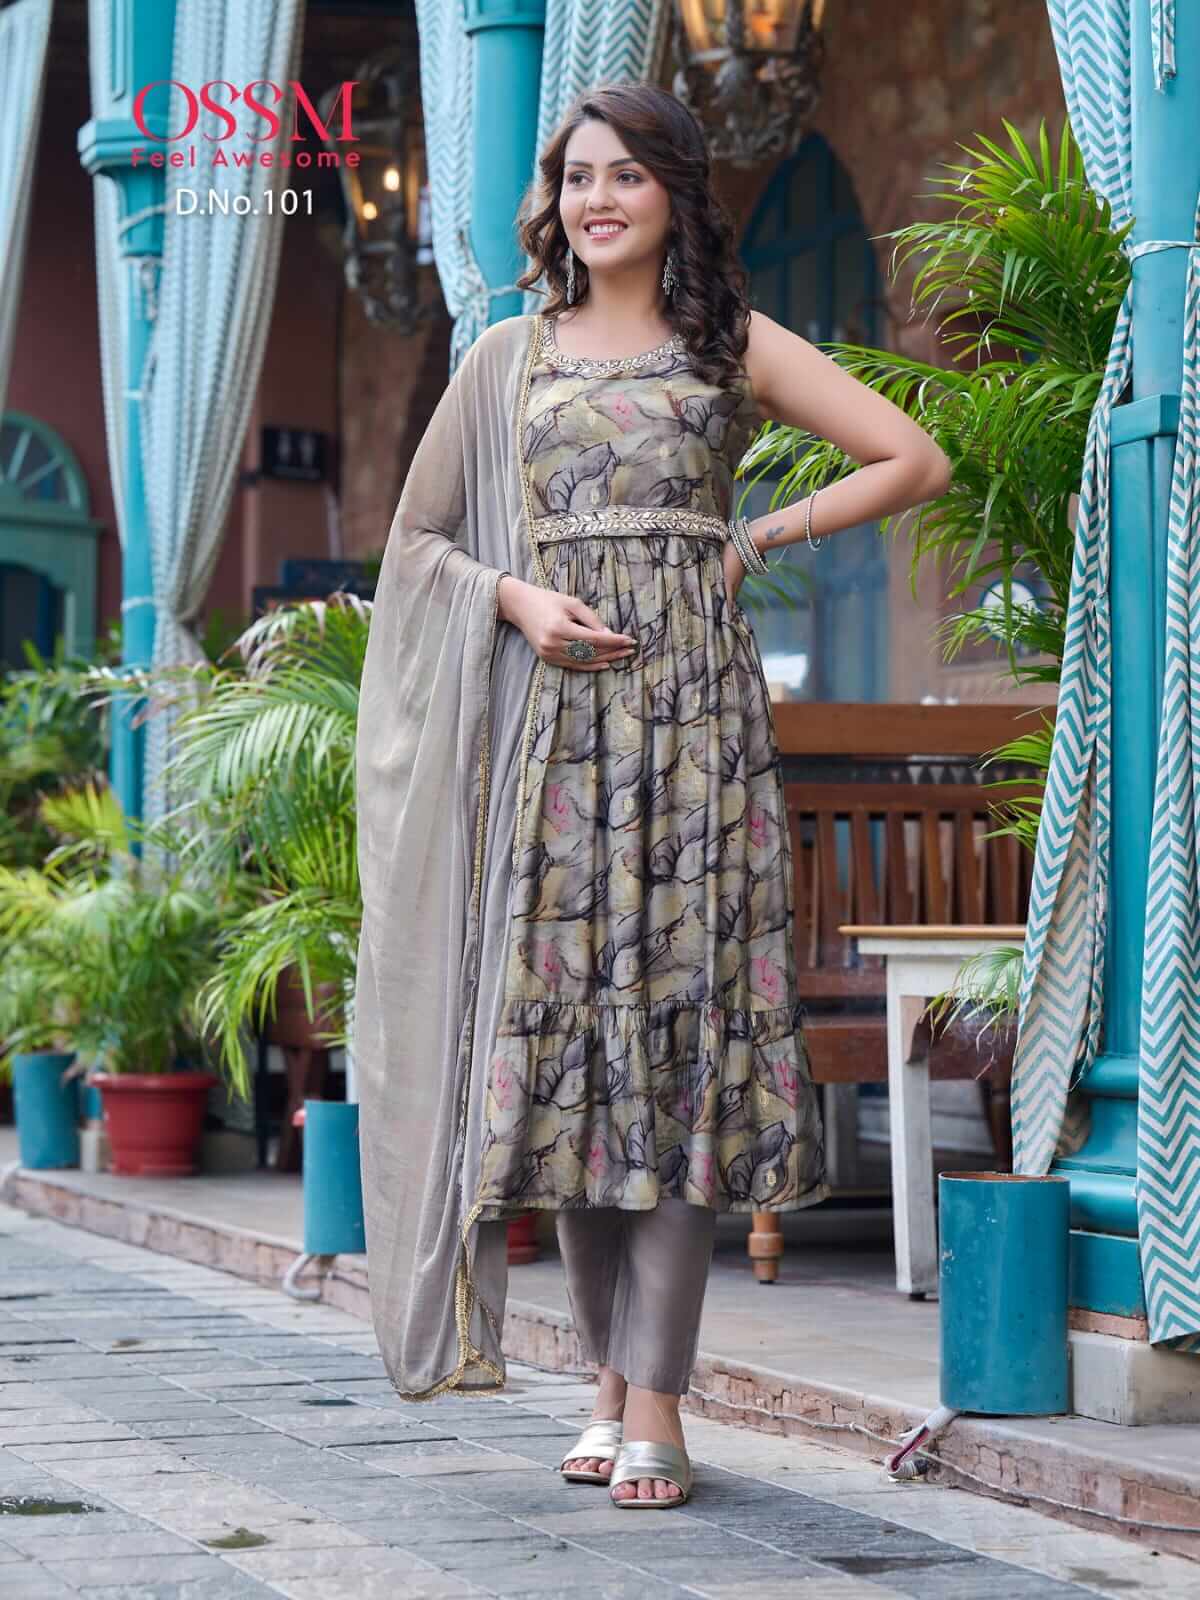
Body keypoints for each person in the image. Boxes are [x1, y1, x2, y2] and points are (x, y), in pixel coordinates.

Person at [353, 82, 951, 1511]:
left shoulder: (727, 343)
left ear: (676, 193)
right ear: (554, 203)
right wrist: (516, 600)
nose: (598, 198)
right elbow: (417, 543)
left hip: (696, 745)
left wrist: (753, 537)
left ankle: (661, 1401)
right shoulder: (505, 359)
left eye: (626, 174)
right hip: (553, 745)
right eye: (578, 176)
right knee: (569, 1060)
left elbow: (915, 457)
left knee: (676, 1061)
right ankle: (604, 1384)